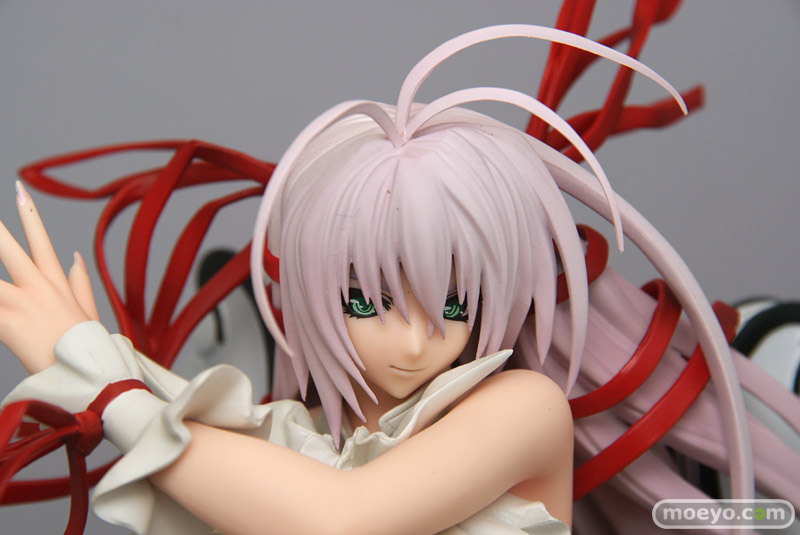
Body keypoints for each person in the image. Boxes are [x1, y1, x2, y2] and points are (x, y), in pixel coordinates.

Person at [1, 24, 798, 535]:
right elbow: (238, 456)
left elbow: (342, 517)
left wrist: (99, 377)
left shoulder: (521, 410)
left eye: (454, 301)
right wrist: (100, 360)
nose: (417, 340)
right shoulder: (305, 436)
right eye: (367, 299)